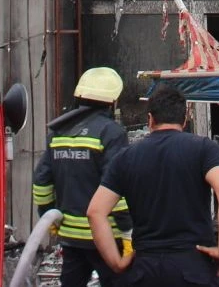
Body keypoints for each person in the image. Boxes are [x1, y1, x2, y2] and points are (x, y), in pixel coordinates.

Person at [87, 83, 219, 287]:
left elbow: (95, 212)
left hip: (144, 270)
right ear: (185, 120)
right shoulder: (203, 149)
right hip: (193, 268)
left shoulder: (125, 158)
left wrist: (116, 263)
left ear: (150, 119)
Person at [33, 67, 131, 287]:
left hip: (70, 237)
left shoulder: (58, 133)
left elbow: (41, 182)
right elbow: (117, 186)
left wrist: (50, 219)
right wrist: (128, 231)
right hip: (106, 236)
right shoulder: (112, 133)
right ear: (112, 101)